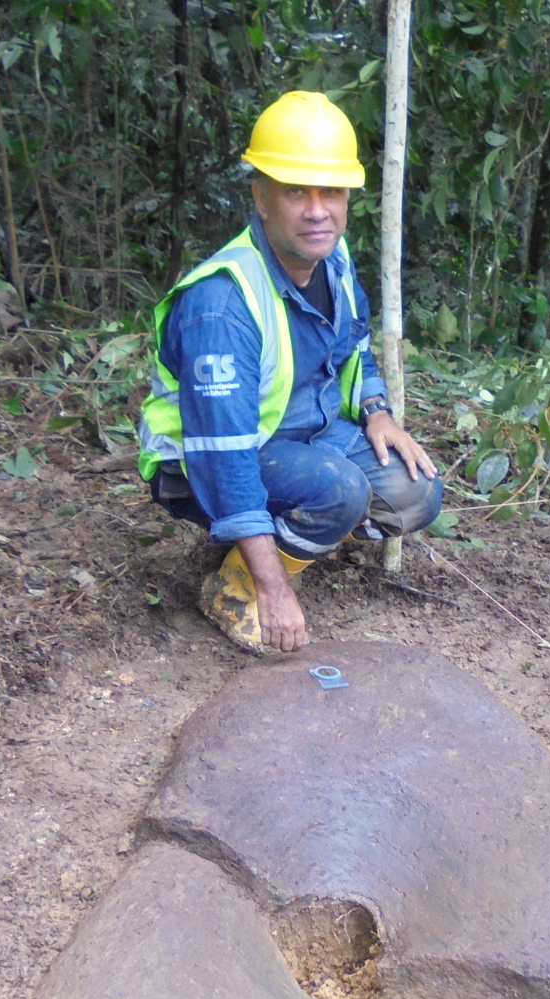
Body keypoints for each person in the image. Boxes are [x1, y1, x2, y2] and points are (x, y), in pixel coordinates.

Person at [138, 91, 441, 654]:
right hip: (206, 457)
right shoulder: (222, 306)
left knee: (415, 491)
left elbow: (355, 346)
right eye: (296, 190)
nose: (317, 209)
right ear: (261, 197)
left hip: (300, 433)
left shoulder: (334, 258)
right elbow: (225, 459)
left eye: (330, 191)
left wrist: (377, 411)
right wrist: (273, 592)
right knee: (338, 491)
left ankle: (268, 539)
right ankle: (237, 583)